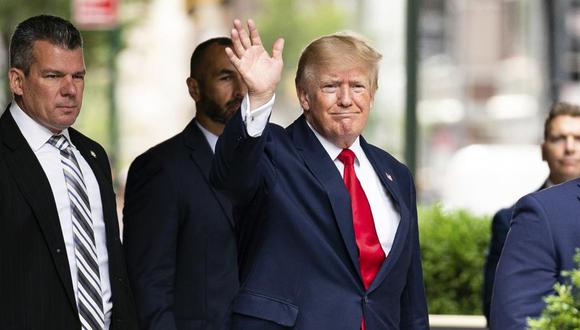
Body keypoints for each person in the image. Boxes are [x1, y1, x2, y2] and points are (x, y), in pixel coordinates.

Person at [210, 19, 429, 329]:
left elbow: (410, 296)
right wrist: (258, 98)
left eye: (357, 86)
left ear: (372, 95)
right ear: (304, 96)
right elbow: (230, 178)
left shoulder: (396, 175)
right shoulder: (272, 152)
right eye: (330, 86)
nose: (345, 99)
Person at [0, 15, 138, 330]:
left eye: (78, 76)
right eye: (53, 76)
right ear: (17, 81)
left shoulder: (94, 156)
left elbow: (112, 266)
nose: (70, 90)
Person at [122, 37, 245, 330]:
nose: (240, 91)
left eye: (244, 78)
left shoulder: (272, 158)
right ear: (194, 88)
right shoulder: (159, 168)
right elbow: (149, 285)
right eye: (226, 77)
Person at [482, 101, 580, 324]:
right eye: (559, 138)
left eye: (578, 138)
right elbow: (506, 312)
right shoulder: (523, 215)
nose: (570, 147)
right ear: (543, 150)